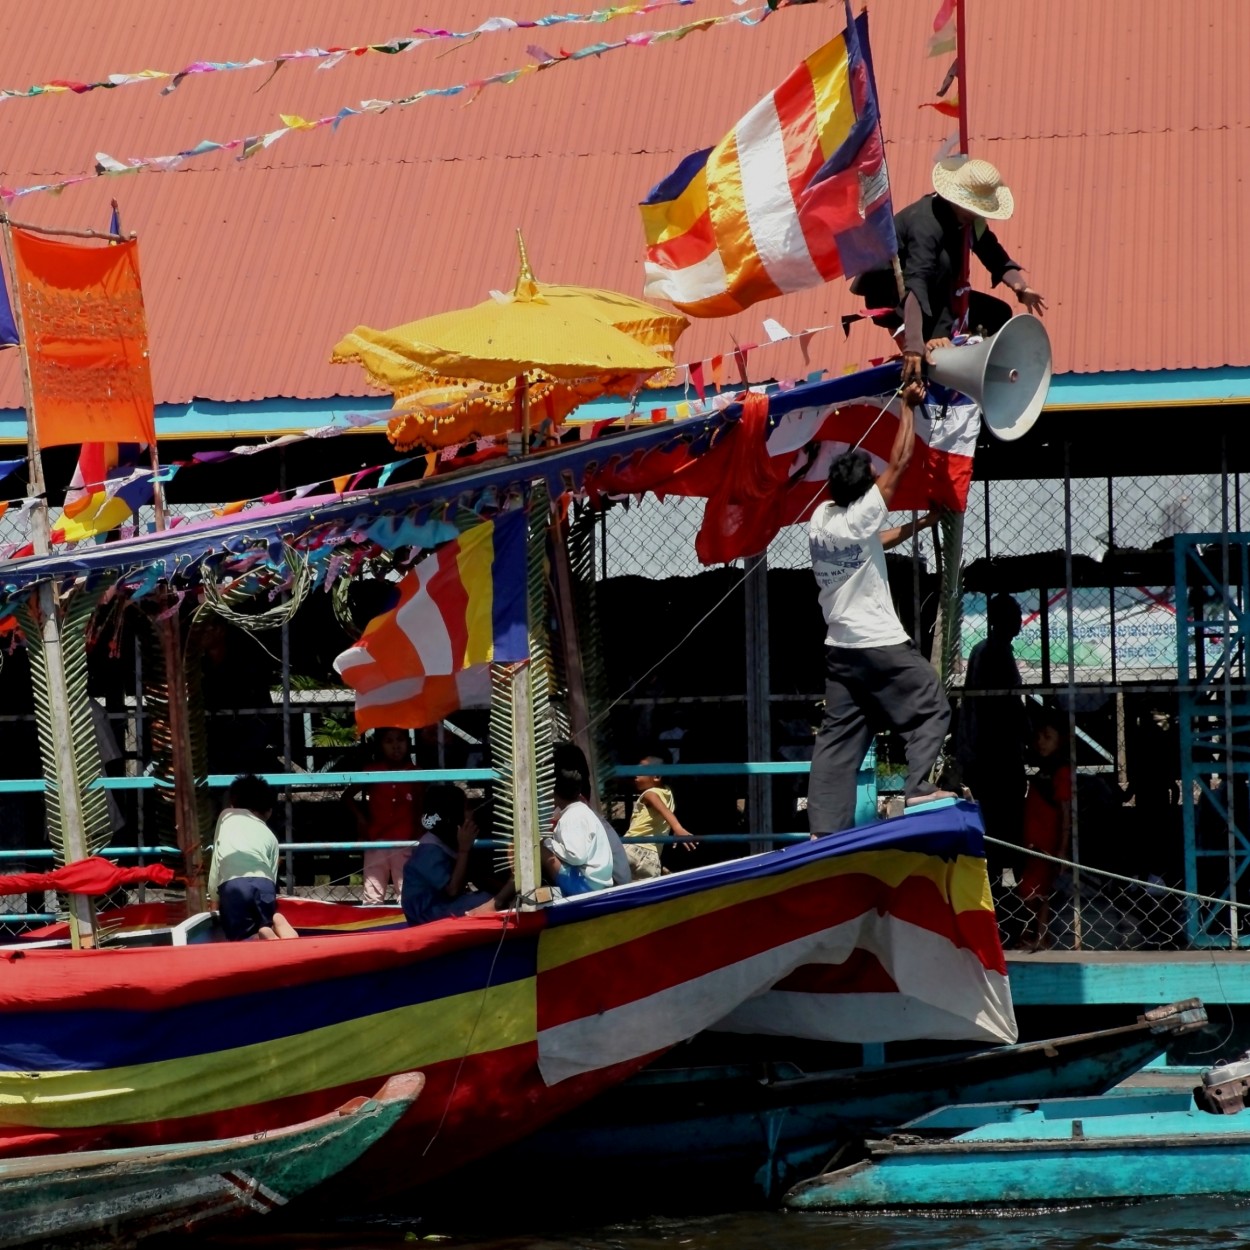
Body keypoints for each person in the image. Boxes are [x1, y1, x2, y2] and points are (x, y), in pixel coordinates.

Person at [806, 380, 953, 836]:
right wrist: (908, 406)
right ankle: (917, 788)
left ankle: (824, 828)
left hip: (840, 650)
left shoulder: (821, 519)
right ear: (864, 492)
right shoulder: (861, 513)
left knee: (839, 739)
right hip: (878, 644)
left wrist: (919, 525)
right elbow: (902, 460)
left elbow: (875, 541)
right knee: (931, 705)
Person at [851, 157, 1046, 388]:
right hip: (899, 295)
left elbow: (991, 252)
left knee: (997, 314)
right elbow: (917, 283)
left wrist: (1019, 286)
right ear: (956, 198)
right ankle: (935, 348)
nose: (975, 214)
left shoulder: (970, 220)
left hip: (941, 291)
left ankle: (976, 369)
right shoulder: (925, 224)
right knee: (944, 267)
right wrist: (914, 344)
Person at [958, 594, 1029, 886]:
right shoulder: (994, 653)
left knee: (995, 814)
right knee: (1005, 815)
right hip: (997, 752)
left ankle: (996, 873)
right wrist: (1024, 728)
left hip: (986, 751)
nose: (1019, 622)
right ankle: (1001, 873)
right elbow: (1003, 707)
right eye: (1014, 616)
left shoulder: (983, 650)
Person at [207, 774, 298, 941]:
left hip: (234, 885)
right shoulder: (271, 837)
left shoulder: (226, 816)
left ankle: (262, 935)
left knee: (244, 937)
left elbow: (216, 862)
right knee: (265, 922)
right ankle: (274, 923)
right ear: (269, 811)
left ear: (233, 803)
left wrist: (213, 898)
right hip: (264, 884)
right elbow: (272, 875)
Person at [344, 727, 422, 905]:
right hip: (376, 841)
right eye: (389, 741)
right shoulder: (372, 771)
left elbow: (420, 806)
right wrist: (361, 818)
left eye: (400, 740)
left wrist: (418, 835)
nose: (396, 746)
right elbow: (347, 796)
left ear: (408, 743)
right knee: (372, 896)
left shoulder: (416, 772)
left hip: (406, 842)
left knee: (406, 894)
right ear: (380, 746)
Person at [1017, 712, 1073, 951]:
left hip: (1045, 844)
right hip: (1033, 842)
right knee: (1035, 890)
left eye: (1047, 737)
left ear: (1061, 741)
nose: (1041, 742)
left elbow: (1065, 811)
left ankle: (1041, 936)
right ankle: (1038, 935)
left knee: (1035, 892)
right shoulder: (1045, 770)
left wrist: (1061, 847)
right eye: (1039, 736)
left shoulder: (1061, 772)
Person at [401, 784, 492, 925]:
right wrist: (464, 850)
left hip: (441, 905)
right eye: (466, 808)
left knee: (489, 897)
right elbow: (452, 890)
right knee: (485, 900)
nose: (472, 812)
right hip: (426, 914)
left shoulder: (447, 842)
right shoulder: (429, 850)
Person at [553, 741, 631, 887]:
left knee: (541, 851)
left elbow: (576, 856)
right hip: (610, 879)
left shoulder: (572, 813)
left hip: (608, 884)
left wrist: (548, 844)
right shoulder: (581, 808)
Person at [542, 765, 614, 897]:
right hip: (595, 883)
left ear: (554, 793)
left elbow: (576, 857)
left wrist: (548, 843)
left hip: (585, 885)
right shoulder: (581, 811)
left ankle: (506, 897)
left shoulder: (572, 816)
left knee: (539, 849)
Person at [624, 756, 696, 880]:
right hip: (652, 857)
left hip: (632, 847)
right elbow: (665, 812)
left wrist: (677, 828)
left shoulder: (649, 794)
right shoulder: (668, 794)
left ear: (656, 777)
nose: (635, 775)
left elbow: (661, 808)